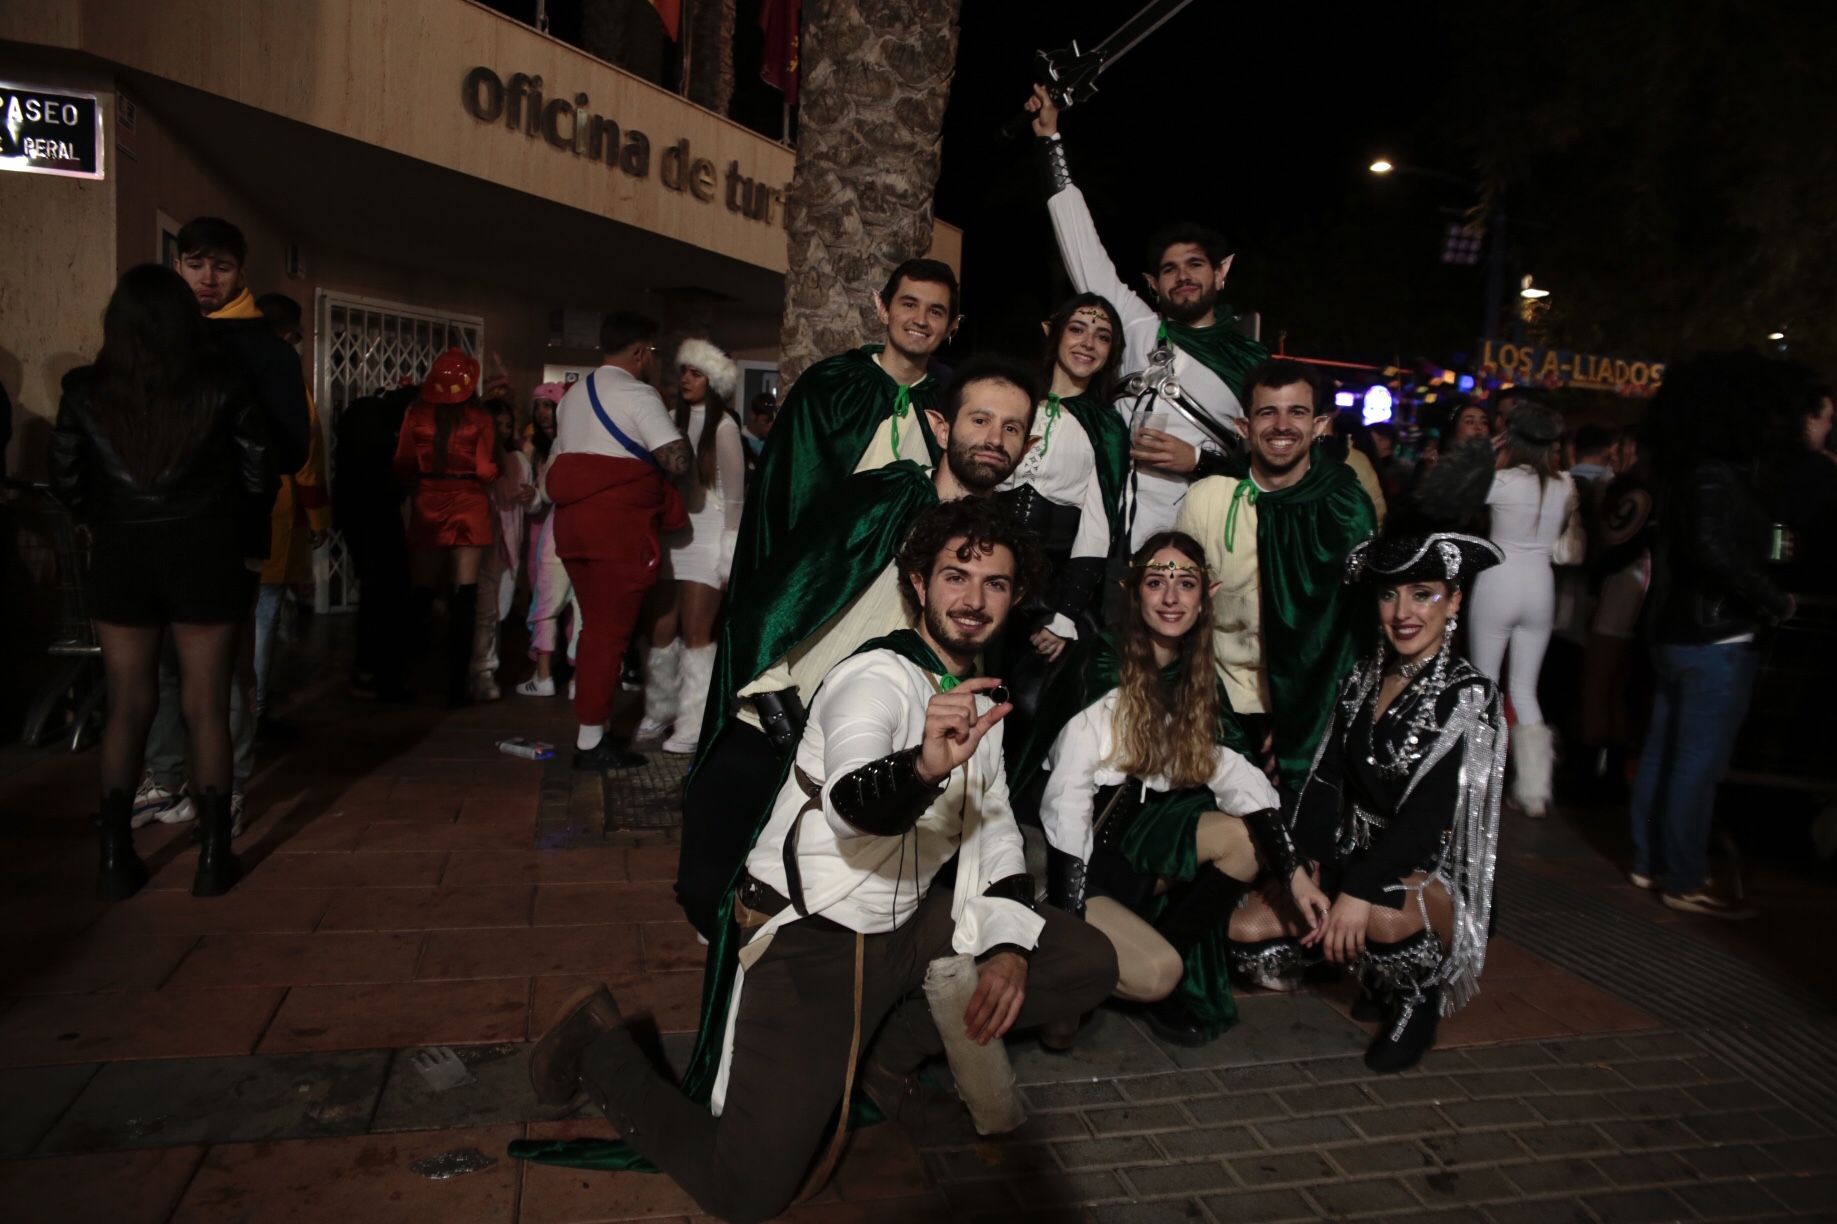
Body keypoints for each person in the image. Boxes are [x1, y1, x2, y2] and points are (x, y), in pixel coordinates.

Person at [524, 497, 1117, 1224]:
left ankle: (881, 1053)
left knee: (1080, 959)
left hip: (904, 924)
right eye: (955, 576)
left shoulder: (975, 696)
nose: (972, 598)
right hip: (815, 942)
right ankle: (597, 1050)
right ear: (917, 584)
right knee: (747, 1193)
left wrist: (1004, 946)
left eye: (993, 583)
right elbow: (849, 802)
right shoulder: (874, 678)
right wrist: (922, 768)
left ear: (1014, 596)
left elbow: (992, 828)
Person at [679, 359, 1039, 939]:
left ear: (1029, 446)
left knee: (795, 915)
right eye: (980, 420)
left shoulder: (996, 551)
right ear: (942, 428)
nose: (994, 439)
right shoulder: (883, 494)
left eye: (1012, 428)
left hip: (873, 752)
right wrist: (775, 704)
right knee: (709, 893)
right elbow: (777, 596)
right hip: (774, 724)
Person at [50, 264, 277, 899]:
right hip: (204, 552)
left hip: (123, 554)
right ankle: (212, 859)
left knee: (129, 704)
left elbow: (67, 480)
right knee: (206, 703)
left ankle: (116, 859)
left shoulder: (85, 391)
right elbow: (258, 475)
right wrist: (234, 526)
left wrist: (108, 516)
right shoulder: (223, 384)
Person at [1253, 529, 1509, 1073]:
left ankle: (1418, 998)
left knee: (1382, 920)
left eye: (1423, 593)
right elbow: (1325, 782)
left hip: (1425, 871)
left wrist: (1356, 892)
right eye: (1389, 595)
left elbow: (1427, 820)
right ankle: (1364, 964)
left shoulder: (1471, 697)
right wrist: (1308, 869)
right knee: (1248, 930)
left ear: (1456, 599)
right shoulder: (1364, 677)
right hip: (1356, 859)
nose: (1403, 612)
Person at [1040, 533, 1288, 1047]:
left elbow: (1231, 768)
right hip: (1076, 856)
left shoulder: (1197, 675)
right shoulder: (1101, 664)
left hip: (1137, 845)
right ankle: (1070, 964)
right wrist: (1069, 918)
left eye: (1186, 585)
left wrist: (1292, 865)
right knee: (1149, 976)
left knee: (1246, 839)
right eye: (1156, 583)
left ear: (1205, 596)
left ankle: (1155, 949)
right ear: (1134, 592)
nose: (1171, 599)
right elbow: (1067, 798)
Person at [1027, 85, 1269, 548]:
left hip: (1196, 539)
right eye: (1169, 270)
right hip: (1100, 533)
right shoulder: (1137, 324)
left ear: (1221, 273)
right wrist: (1050, 140)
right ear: (1152, 284)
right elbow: (1080, 244)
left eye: (1195, 265)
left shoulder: (1252, 364)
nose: (1183, 277)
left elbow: (1273, 465)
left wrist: (1198, 461)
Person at [132, 217, 313, 835]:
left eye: (222, 267)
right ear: (178, 266)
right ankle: (164, 777)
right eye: (195, 265)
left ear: (241, 272)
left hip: (228, 527)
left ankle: (226, 785)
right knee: (157, 663)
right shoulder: (158, 336)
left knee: (226, 665)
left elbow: (291, 448)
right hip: (155, 527)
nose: (207, 279)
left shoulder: (264, 347)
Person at [1630, 354, 1795, 918]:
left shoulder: (1680, 470)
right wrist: (1772, 598)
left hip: (1676, 632)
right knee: (1696, 762)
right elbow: (1714, 548)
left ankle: (1650, 859)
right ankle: (1684, 875)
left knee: (1665, 751)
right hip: (1716, 637)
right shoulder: (1716, 475)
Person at [1174, 359, 1379, 791]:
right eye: (1268, 413)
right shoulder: (1206, 499)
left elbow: (1350, 635)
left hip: (1312, 706)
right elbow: (1179, 613)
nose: (1281, 425)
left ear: (1320, 424)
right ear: (1244, 427)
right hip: (1219, 701)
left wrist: (1299, 723)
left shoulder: (1345, 508)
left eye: (1297, 413)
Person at [729, 258, 959, 601]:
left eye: (936, 311)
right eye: (909, 304)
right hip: (821, 582)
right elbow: (784, 494)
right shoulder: (830, 385)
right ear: (883, 307)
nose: (920, 320)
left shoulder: (954, 400)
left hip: (908, 590)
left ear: (953, 325)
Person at [545, 312, 690, 768]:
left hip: (573, 528)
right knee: (609, 636)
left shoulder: (572, 397)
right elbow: (677, 460)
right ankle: (590, 741)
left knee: (594, 629)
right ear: (640, 352)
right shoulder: (637, 393)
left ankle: (593, 730)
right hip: (617, 532)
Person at [992, 293, 1130, 732]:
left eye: (1102, 336)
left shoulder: (1106, 427)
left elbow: (1097, 528)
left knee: (1028, 718)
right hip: (985, 575)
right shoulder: (1011, 400)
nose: (1088, 342)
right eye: (1078, 328)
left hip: (1046, 599)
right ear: (1053, 332)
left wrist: (1065, 616)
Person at [1461, 401, 1577, 818]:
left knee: (1484, 684)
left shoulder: (1503, 481)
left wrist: (1485, 451)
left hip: (1499, 581)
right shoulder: (1565, 484)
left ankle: (1476, 781)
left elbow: (1459, 488)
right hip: (1541, 587)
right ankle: (1534, 791)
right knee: (1525, 690)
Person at [639, 339, 746, 756]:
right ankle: (660, 707)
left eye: (696, 372)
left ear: (713, 381)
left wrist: (728, 553)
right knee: (661, 626)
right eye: (684, 370)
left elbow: (736, 498)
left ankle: (694, 719)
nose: (686, 378)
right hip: (672, 532)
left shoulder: (724, 428)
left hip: (708, 535)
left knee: (697, 631)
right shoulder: (668, 420)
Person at [393, 348, 499, 707]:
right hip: (469, 502)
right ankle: (458, 684)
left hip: (427, 500)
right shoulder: (479, 418)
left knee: (421, 593)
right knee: (463, 595)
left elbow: (403, 462)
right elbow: (486, 469)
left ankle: (408, 674)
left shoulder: (416, 413)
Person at [250, 293, 331, 735]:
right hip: (275, 508)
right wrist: (319, 519)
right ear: (287, 334)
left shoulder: (227, 364)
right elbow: (307, 452)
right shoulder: (283, 376)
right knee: (263, 617)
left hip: (228, 512)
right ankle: (255, 708)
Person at [334, 384, 416, 701]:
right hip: (375, 519)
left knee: (375, 594)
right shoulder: (376, 425)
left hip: (362, 519)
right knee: (385, 595)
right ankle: (381, 674)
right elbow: (380, 477)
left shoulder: (367, 415)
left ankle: (372, 669)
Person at [517, 383, 581, 698]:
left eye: (549, 405)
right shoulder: (593, 444)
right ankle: (577, 681)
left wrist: (538, 493)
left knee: (546, 604)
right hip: (588, 532)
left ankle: (544, 676)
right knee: (584, 607)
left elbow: (546, 491)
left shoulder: (559, 447)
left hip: (556, 532)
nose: (543, 413)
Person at [470, 397, 535, 701]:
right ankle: (483, 671)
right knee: (485, 609)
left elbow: (530, 500)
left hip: (508, 544)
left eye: (509, 426)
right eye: (498, 425)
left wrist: (531, 496)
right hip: (484, 542)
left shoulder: (517, 460)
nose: (504, 431)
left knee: (499, 608)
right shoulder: (479, 460)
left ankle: (486, 667)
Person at [741, 391, 776, 481]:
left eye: (773, 421)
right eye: (766, 421)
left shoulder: (773, 442)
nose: (771, 426)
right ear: (753, 415)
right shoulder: (740, 440)